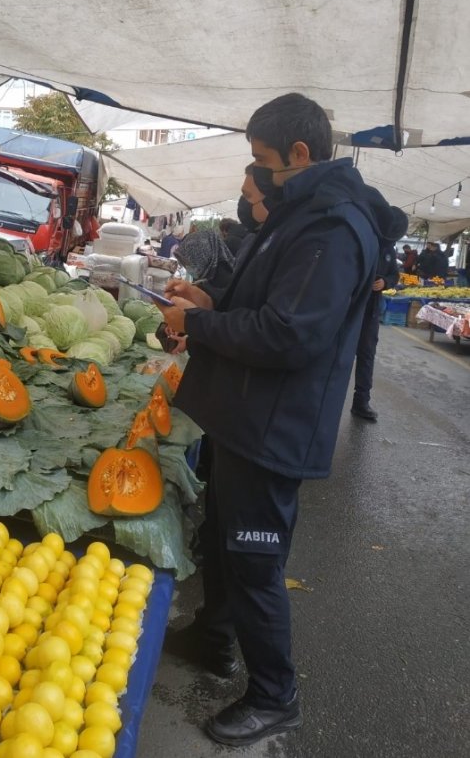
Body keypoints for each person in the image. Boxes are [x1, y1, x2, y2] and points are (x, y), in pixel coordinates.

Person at [158, 93, 385, 750]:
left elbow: (290, 333)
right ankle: (213, 636)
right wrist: (211, 298)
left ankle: (275, 695)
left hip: (274, 428)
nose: (256, 171)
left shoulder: (335, 226)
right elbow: (266, 299)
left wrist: (197, 322)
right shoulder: (304, 214)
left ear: (300, 155)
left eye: (262, 159)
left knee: (257, 561)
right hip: (246, 416)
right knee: (228, 536)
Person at [351, 195, 408, 421]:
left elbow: (394, 274)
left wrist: (385, 281)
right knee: (337, 354)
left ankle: (361, 402)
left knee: (366, 355)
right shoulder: (362, 238)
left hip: (371, 310)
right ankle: (325, 399)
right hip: (348, 308)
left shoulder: (389, 249)